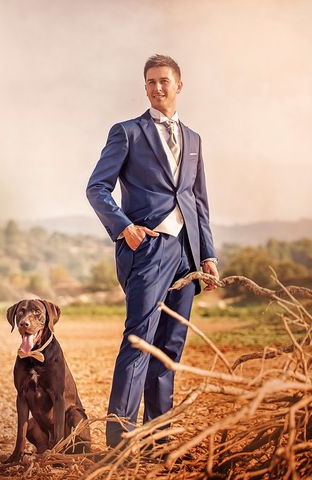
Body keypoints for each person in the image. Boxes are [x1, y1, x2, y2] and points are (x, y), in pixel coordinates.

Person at [86, 54, 219, 448]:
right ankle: (120, 442)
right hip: (147, 250)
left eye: (164, 81)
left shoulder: (194, 139)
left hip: (187, 254)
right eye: (150, 82)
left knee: (169, 348)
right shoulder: (126, 132)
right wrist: (124, 228)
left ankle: (160, 439)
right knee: (139, 342)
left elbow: (197, 200)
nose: (157, 87)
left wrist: (207, 254)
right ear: (145, 87)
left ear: (179, 85)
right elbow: (96, 188)